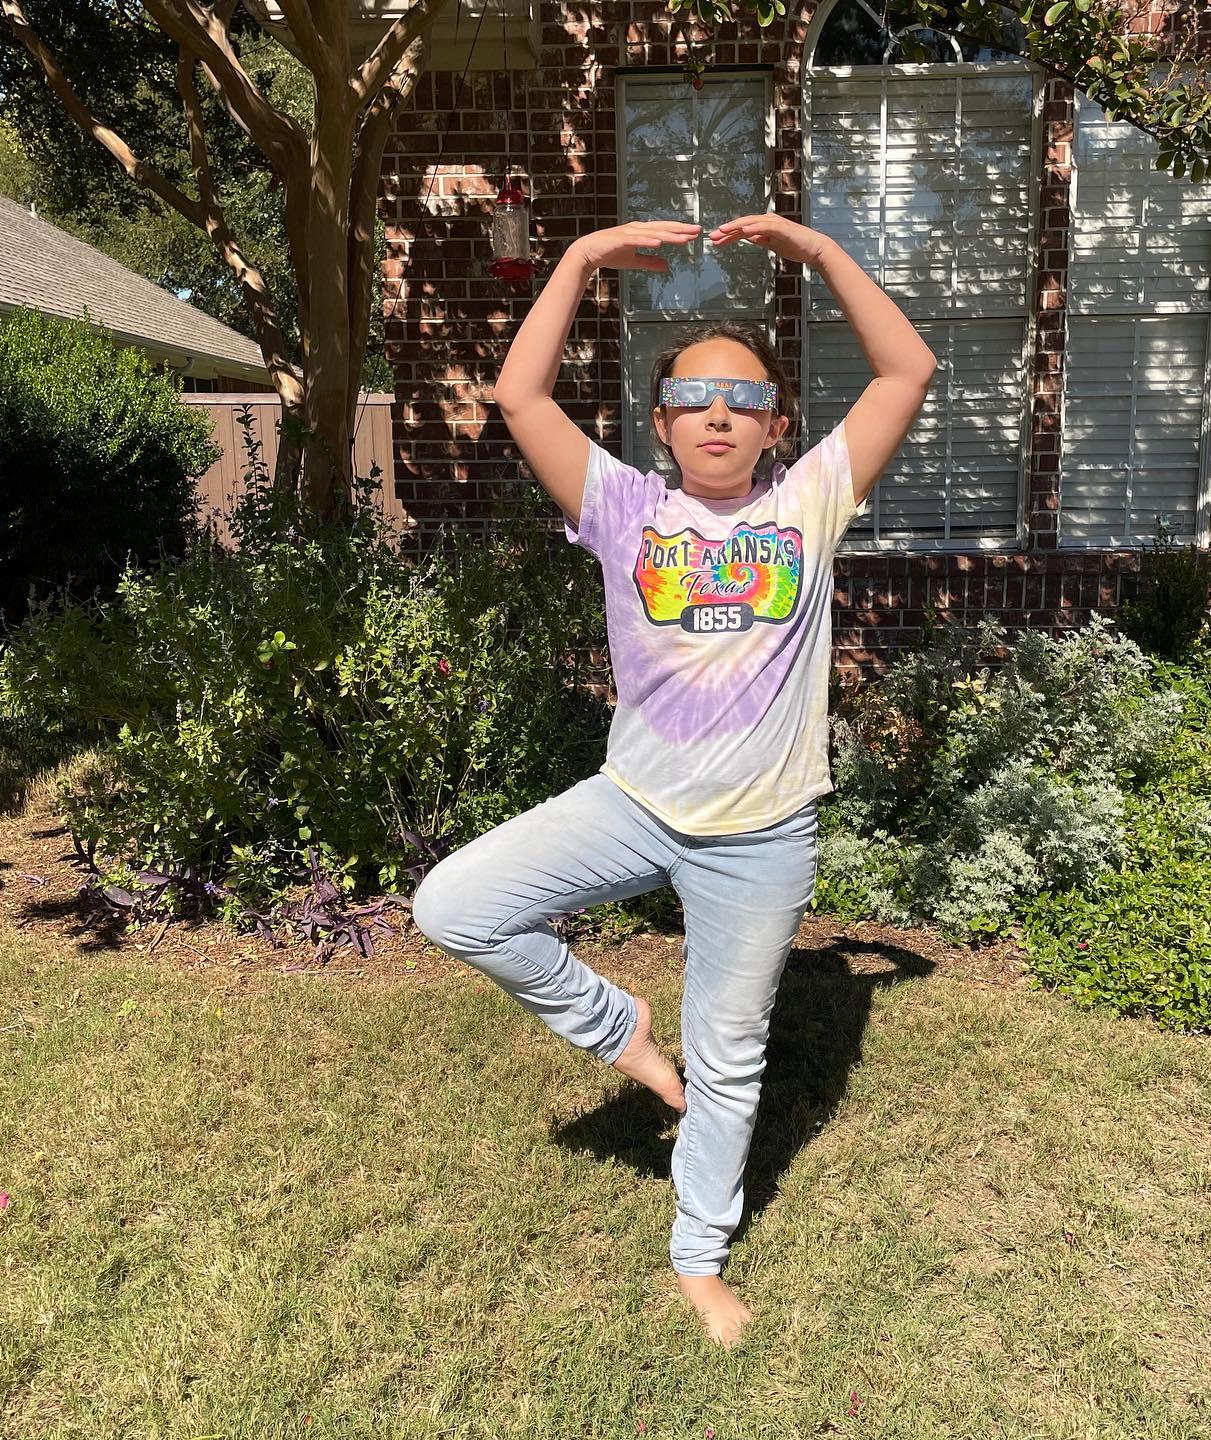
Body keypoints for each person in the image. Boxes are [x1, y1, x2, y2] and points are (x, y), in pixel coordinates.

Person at [411, 213, 936, 1349]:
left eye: (744, 398)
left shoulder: (812, 501)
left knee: (733, 1056)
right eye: (695, 395)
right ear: (660, 423)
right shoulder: (623, 509)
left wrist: (820, 254)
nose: (718, 412)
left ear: (775, 425)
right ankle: (621, 1028)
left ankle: (699, 1252)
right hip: (632, 804)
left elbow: (909, 367)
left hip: (761, 838)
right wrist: (580, 261)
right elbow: (520, 398)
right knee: (453, 905)